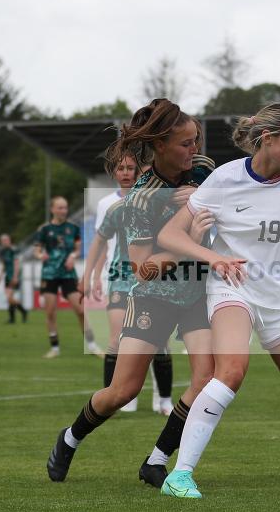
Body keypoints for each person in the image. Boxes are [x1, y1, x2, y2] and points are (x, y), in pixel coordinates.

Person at [156, 102, 280, 499]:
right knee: (232, 370)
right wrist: (216, 257)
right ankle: (179, 475)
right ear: (268, 140)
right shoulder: (223, 179)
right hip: (232, 289)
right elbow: (171, 235)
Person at [45, 98, 219, 489]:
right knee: (122, 391)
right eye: (186, 143)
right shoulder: (140, 197)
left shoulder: (204, 171)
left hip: (196, 295)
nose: (195, 150)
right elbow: (143, 266)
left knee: (206, 378)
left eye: (197, 140)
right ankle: (70, 438)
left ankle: (156, 461)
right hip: (153, 296)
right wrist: (186, 237)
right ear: (159, 146)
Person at [82, 154, 173, 415]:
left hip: (152, 280)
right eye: (120, 168)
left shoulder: (161, 205)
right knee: (115, 339)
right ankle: (112, 398)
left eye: (131, 168)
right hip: (120, 277)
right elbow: (101, 241)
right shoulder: (111, 206)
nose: (126, 173)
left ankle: (163, 398)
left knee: (159, 342)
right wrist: (90, 276)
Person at [33, 196, 102, 358]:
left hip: (68, 275)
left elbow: (78, 249)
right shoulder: (44, 229)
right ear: (52, 209)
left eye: (65, 207)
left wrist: (73, 256)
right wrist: (40, 255)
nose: (64, 211)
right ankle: (55, 348)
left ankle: (92, 345)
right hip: (49, 274)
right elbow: (36, 250)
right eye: (60, 208)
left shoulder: (73, 228)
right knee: (50, 312)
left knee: (80, 310)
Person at [0, 234, 27, 324]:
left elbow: (16, 264)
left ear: (9, 240)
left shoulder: (14, 250)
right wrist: (0, 276)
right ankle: (19, 314)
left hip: (14, 276)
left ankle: (19, 314)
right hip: (7, 277)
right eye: (2, 241)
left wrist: (15, 277)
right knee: (10, 298)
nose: (4, 242)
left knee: (9, 297)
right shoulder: (2, 252)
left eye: (6, 240)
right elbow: (4, 265)